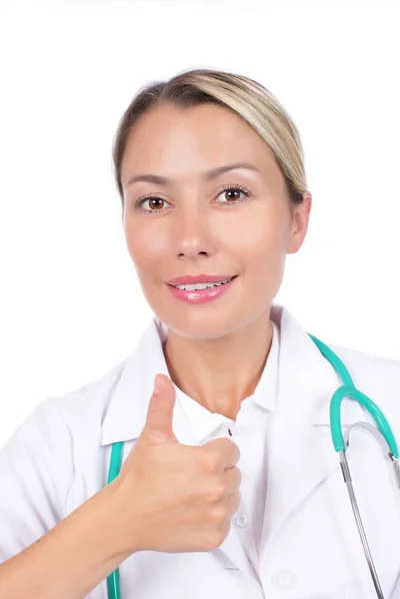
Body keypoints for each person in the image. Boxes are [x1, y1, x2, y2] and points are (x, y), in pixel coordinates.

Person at [0, 67, 400, 599]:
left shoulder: (388, 405)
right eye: (154, 202)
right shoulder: (57, 445)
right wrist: (113, 524)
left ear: (297, 220)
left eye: (231, 194)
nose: (189, 240)